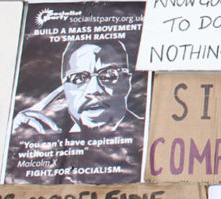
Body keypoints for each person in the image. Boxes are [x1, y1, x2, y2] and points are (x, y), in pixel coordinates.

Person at [12, 40, 143, 135]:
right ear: (64, 88)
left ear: (127, 82)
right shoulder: (45, 136)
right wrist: (18, 138)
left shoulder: (145, 133)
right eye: (79, 78)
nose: (93, 90)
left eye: (108, 75)